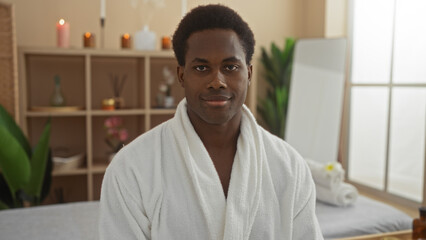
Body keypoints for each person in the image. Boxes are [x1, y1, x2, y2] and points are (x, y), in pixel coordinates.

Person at [99, 4, 323, 240]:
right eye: (202, 67)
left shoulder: (290, 167)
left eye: (230, 67)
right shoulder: (131, 168)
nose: (217, 81)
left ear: (248, 74)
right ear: (182, 75)